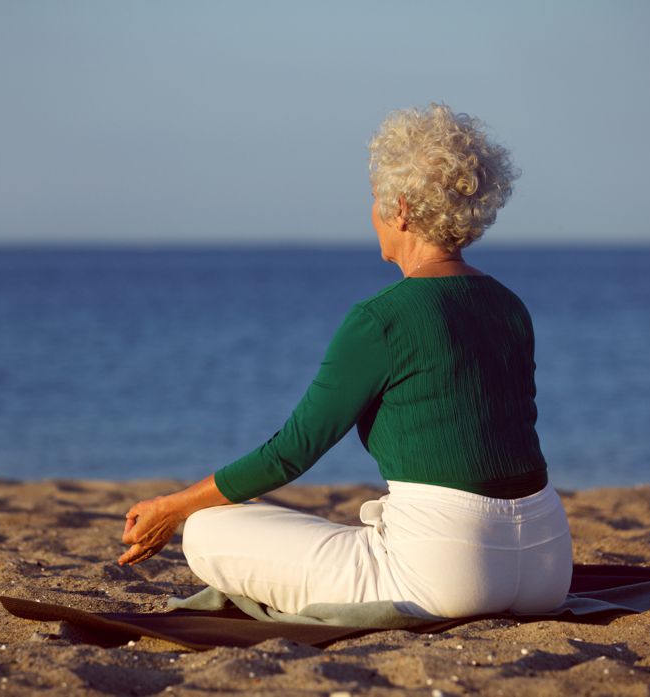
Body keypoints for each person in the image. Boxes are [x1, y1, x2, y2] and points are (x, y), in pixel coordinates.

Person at [118, 103, 573, 620]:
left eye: (376, 201)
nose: (374, 214)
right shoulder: (509, 304)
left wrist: (174, 508)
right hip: (547, 566)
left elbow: (289, 453)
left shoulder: (382, 318)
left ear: (400, 208)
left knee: (206, 529)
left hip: (446, 575)